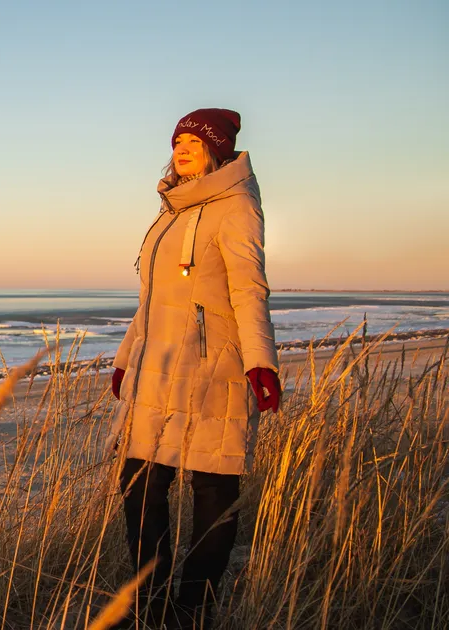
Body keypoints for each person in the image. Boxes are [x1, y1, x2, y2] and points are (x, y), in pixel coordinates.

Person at [108, 108, 282, 628]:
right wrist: (125, 359)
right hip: (157, 366)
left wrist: (261, 362)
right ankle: (151, 599)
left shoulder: (236, 206)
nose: (181, 149)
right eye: (177, 141)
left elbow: (249, 289)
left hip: (213, 368)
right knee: (139, 482)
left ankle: (194, 605)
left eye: (194, 141)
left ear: (217, 149)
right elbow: (151, 300)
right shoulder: (171, 210)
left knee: (213, 487)